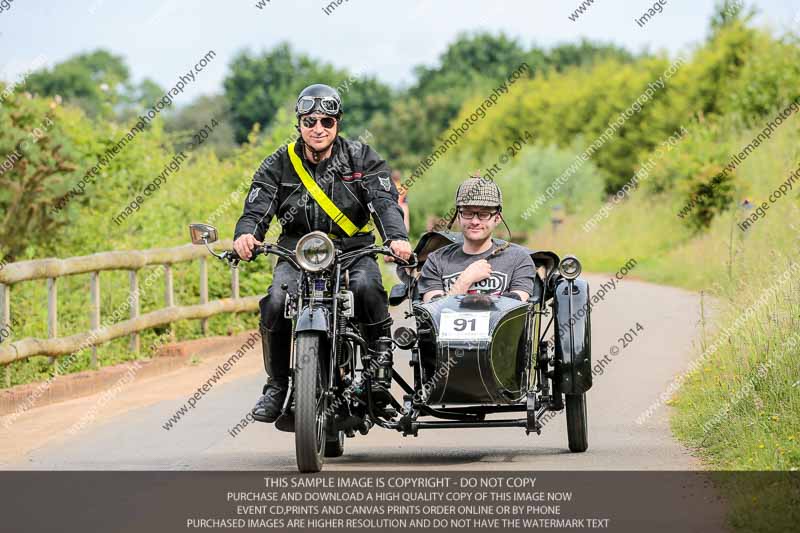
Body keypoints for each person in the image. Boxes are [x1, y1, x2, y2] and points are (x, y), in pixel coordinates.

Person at [233, 83, 412, 424]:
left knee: (368, 289)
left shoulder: (363, 158)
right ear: (299, 124)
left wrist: (396, 239)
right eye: (310, 121)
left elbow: (384, 203)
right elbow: (257, 208)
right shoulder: (278, 163)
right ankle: (277, 385)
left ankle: (378, 373)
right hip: (297, 250)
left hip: (352, 249)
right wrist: (246, 236)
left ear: (338, 124)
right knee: (274, 301)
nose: (318, 128)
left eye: (327, 121)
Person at [418, 177, 536, 302]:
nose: (475, 221)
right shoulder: (436, 261)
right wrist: (465, 280)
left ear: (497, 218)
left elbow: (516, 306)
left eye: (484, 214)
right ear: (458, 216)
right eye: (468, 213)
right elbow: (434, 310)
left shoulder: (518, 259)